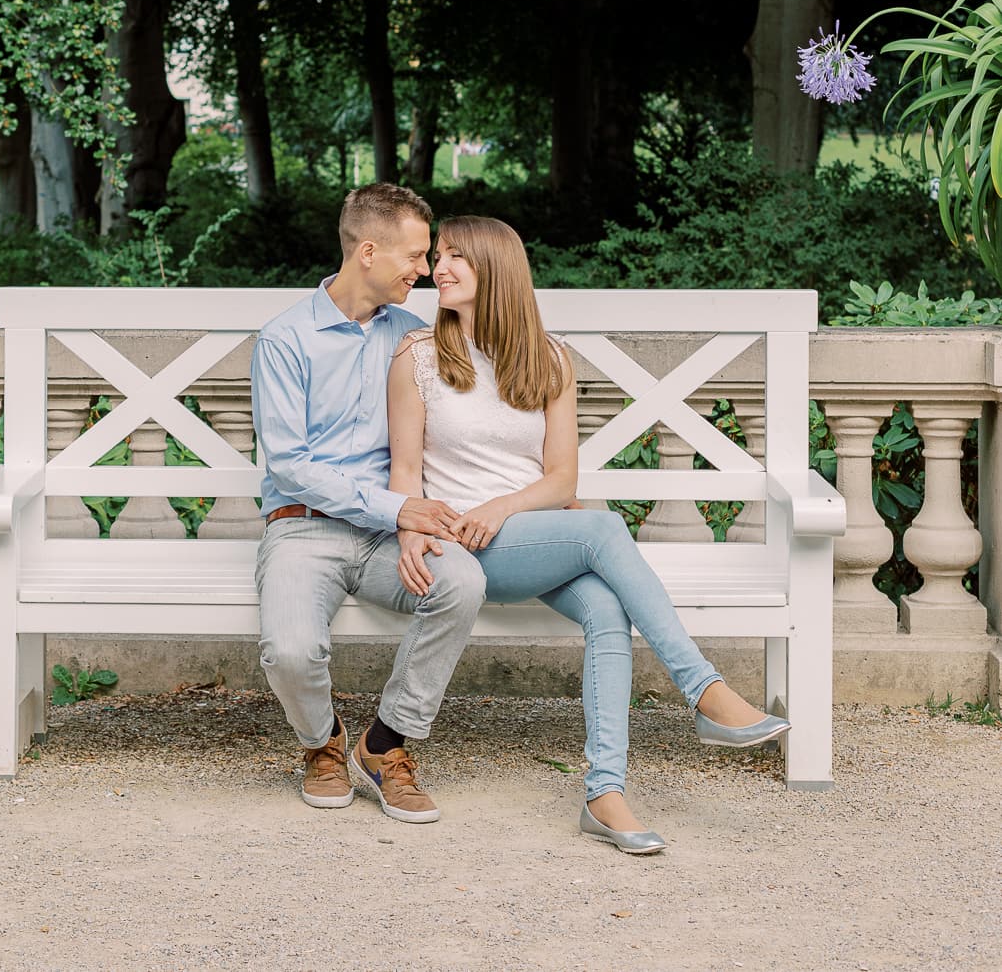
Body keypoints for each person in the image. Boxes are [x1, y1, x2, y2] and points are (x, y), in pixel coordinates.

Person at [386, 213, 791, 855]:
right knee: (600, 526)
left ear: (498, 269)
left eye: (457, 256)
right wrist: (414, 528)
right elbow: (404, 467)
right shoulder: (419, 356)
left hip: (530, 536)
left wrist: (506, 507)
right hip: (460, 543)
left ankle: (605, 795)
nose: (440, 267)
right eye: (439, 255)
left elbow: (559, 477)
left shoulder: (550, 359)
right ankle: (704, 690)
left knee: (606, 609)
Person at [251, 183, 486, 826]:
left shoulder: (413, 335)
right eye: (414, 256)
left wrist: (411, 517)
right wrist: (396, 509)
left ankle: (384, 745)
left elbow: (475, 405)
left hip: (391, 535)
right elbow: (290, 467)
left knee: (461, 581)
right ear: (369, 252)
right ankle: (323, 743)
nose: (425, 270)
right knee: (291, 651)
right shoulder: (285, 341)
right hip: (306, 529)